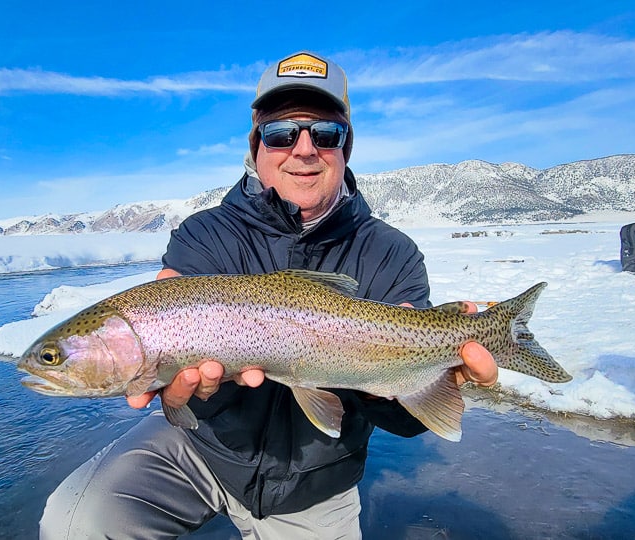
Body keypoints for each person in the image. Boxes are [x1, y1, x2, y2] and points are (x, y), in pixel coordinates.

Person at [40, 51, 498, 539]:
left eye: (325, 134)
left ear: (346, 148)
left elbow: (409, 424)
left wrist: (406, 370)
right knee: (76, 523)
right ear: (256, 145)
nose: (304, 150)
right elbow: (170, 381)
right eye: (282, 133)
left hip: (316, 481)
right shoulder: (205, 234)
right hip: (203, 444)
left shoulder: (392, 254)